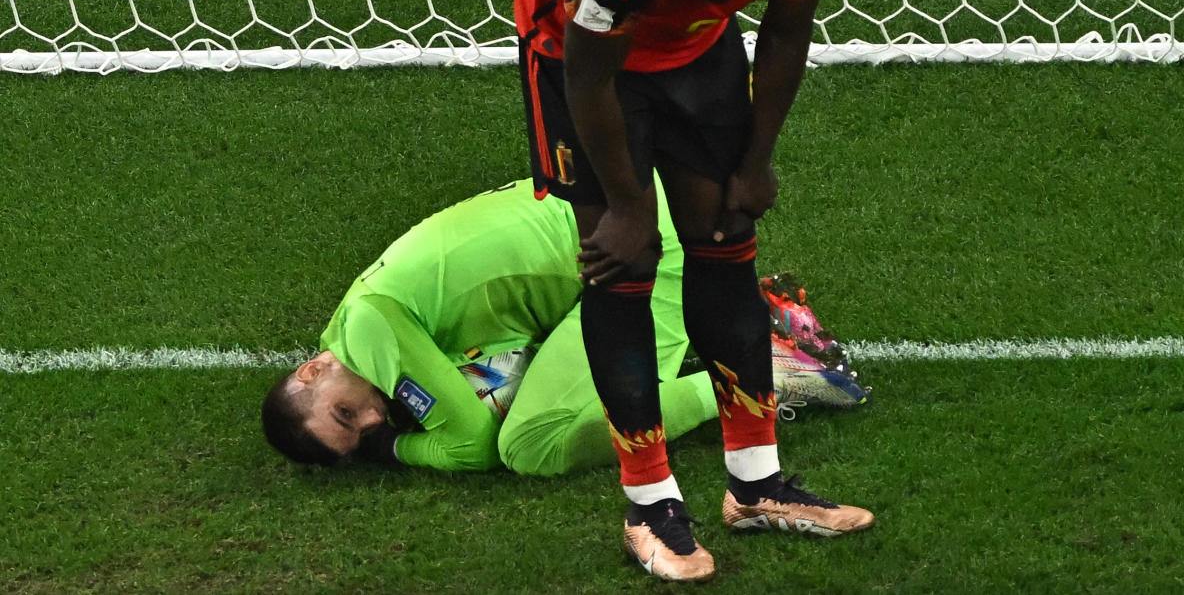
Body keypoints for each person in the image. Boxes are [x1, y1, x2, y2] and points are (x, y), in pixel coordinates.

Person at [515, 0, 872, 581]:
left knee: (725, 232)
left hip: (695, 45)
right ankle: (649, 508)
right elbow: (589, 79)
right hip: (572, 55)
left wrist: (757, 160)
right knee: (624, 261)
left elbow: (784, 31)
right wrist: (628, 202)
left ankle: (757, 485)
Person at [261, 178, 861, 474]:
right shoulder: (359, 319)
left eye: (346, 414)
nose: (373, 416)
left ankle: (767, 371)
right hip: (628, 216)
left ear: (313, 371)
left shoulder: (369, 332)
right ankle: (740, 310)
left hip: (643, 251)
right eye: (363, 430)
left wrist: (390, 449)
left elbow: (472, 446)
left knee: (530, 446)